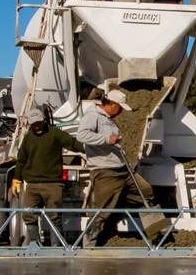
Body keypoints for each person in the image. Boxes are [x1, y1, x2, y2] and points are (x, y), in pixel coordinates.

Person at [76, 89, 152, 246]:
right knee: (101, 210)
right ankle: (89, 244)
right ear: (111, 104)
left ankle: (148, 227)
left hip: (123, 169)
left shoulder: (110, 119)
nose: (121, 111)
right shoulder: (93, 116)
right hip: (106, 171)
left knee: (145, 191)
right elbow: (81, 135)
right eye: (120, 107)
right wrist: (106, 139)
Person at [12, 107, 85, 246]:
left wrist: (91, 149)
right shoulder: (28, 138)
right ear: (30, 124)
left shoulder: (55, 134)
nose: (37, 126)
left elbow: (73, 143)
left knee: (54, 217)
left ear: (44, 121)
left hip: (53, 184)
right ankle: (35, 244)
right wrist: (17, 179)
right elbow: (21, 160)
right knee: (28, 214)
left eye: (39, 123)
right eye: (34, 124)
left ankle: (56, 247)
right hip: (33, 185)